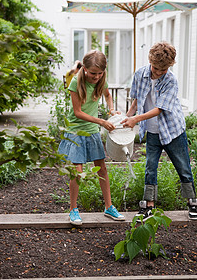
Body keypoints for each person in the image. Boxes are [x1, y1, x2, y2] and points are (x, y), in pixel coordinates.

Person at [121, 41, 197, 221]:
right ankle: (149, 205)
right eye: (155, 68)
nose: (158, 73)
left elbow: (160, 109)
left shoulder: (171, 80)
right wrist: (127, 117)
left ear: (169, 66)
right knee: (150, 167)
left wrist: (136, 119)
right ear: (150, 61)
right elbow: (138, 100)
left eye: (162, 70)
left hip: (172, 130)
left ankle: (193, 202)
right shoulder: (140, 74)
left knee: (183, 166)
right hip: (153, 131)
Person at [59, 50, 125, 225]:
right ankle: (73, 209)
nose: (96, 77)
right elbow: (78, 112)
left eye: (100, 73)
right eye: (93, 73)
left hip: (92, 130)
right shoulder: (75, 82)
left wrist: (111, 110)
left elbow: (108, 95)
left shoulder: (101, 80)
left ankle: (109, 207)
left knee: (102, 169)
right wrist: (101, 122)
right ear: (85, 69)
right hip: (77, 131)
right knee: (78, 172)